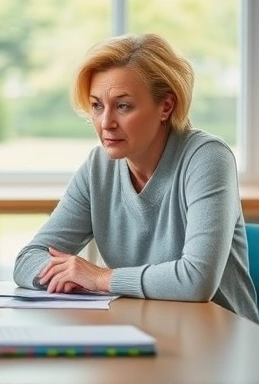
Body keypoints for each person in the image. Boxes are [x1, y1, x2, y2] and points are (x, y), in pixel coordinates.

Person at [13, 33, 259, 323]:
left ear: (166, 106)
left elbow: (197, 279)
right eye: (97, 105)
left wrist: (101, 278)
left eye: (123, 106)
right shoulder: (98, 167)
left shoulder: (207, 158)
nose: (106, 123)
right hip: (144, 334)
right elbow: (28, 260)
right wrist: (70, 277)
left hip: (224, 347)